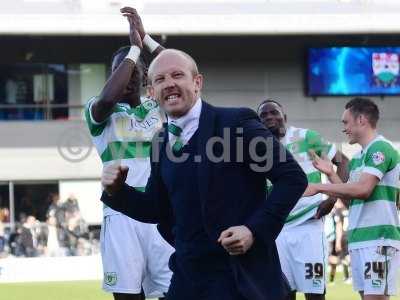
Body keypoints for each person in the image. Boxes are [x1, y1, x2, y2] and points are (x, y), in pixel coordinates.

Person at [100, 31, 309, 299]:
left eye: (178, 75)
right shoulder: (161, 143)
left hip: (240, 279)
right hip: (188, 279)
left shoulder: (236, 123)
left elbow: (292, 179)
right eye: (160, 79)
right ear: (152, 92)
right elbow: (156, 208)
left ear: (197, 82)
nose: (169, 84)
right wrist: (118, 191)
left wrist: (253, 230)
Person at [84, 7, 173, 300]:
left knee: (172, 292)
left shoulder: (158, 108)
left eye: (134, 69)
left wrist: (146, 41)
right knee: (127, 295)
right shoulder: (100, 112)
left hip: (160, 212)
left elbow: (177, 72)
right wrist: (133, 51)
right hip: (122, 214)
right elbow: (109, 96)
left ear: (145, 74)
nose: (127, 76)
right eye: (120, 70)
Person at [304, 97, 400, 300]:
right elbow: (351, 201)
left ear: (361, 120)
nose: (343, 128)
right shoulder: (357, 158)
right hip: (359, 241)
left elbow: (363, 189)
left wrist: (317, 187)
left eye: (345, 122)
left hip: (378, 240)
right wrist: (331, 174)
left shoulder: (380, 149)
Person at [257, 99, 349, 300]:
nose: (270, 117)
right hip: (276, 231)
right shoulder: (257, 149)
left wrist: (333, 198)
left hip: (309, 225)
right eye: (263, 115)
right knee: (282, 293)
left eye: (274, 112)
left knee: (314, 293)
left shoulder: (306, 137)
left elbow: (342, 161)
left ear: (285, 117)